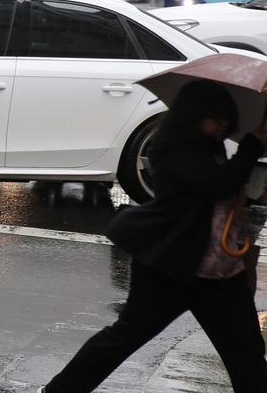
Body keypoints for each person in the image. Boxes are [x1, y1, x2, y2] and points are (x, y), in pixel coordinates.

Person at [39, 80, 267, 393]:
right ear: (196, 114)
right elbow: (215, 185)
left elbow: (224, 193)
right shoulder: (173, 149)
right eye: (218, 118)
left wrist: (252, 185)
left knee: (245, 353)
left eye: (226, 120)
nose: (223, 126)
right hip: (171, 267)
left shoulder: (209, 147)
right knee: (124, 338)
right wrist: (251, 147)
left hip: (219, 271)